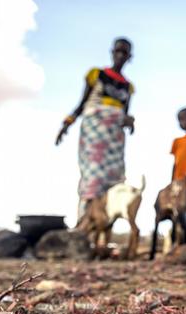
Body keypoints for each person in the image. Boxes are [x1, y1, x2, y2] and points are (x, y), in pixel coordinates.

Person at [56, 37, 135, 220]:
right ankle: (84, 220)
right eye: (118, 51)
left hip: (115, 138)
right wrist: (66, 124)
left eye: (125, 53)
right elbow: (82, 103)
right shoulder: (97, 75)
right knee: (93, 174)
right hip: (94, 132)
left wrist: (129, 122)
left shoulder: (128, 87)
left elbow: (125, 114)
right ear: (112, 52)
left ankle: (102, 226)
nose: (121, 55)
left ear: (129, 57)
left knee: (113, 181)